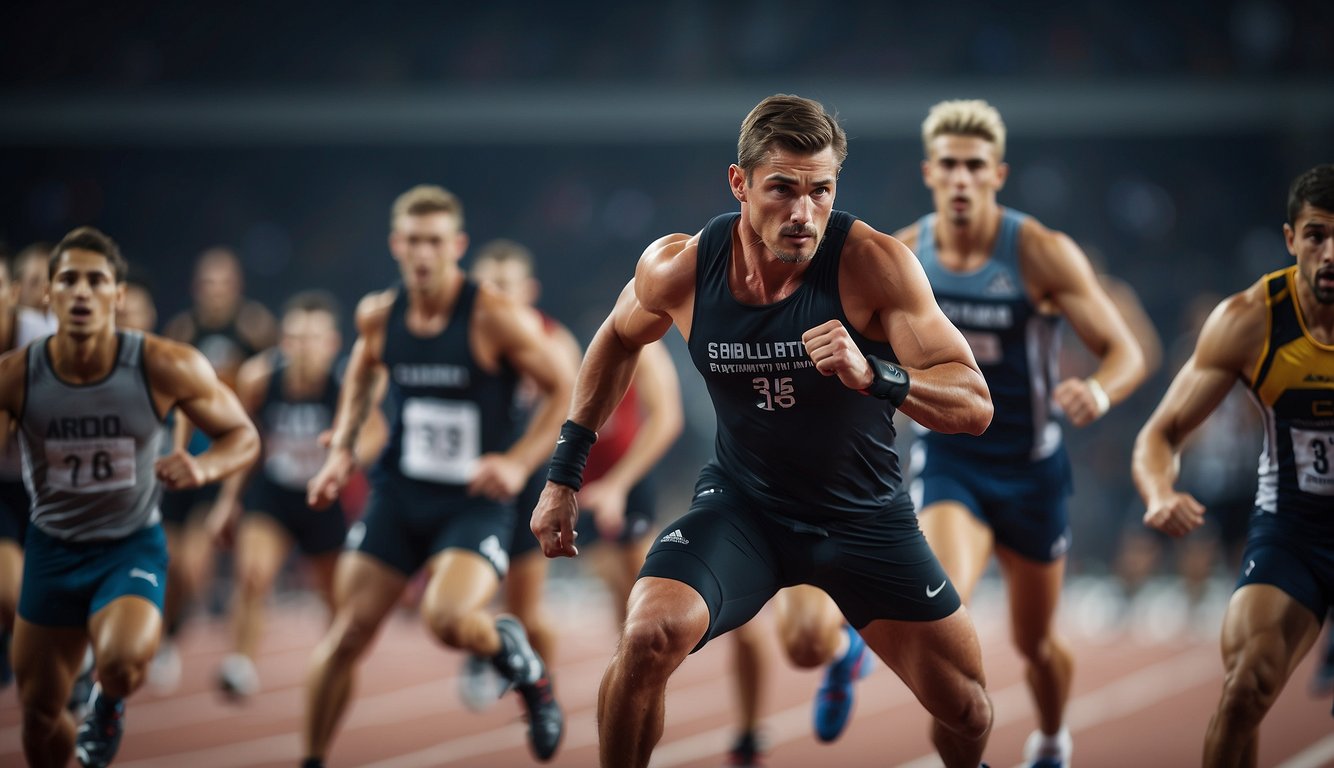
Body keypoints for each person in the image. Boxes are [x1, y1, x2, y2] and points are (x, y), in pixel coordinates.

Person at [530, 93, 995, 768]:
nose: (803, 214)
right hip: (747, 509)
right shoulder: (682, 266)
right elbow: (615, 339)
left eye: (821, 191)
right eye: (782, 189)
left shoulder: (874, 265)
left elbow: (975, 402)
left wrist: (878, 375)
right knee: (646, 637)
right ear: (740, 183)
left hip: (863, 519)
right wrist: (564, 475)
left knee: (968, 709)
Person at [887, 98, 1148, 767]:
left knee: (1036, 644)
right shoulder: (903, 254)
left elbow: (1127, 350)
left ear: (998, 173)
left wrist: (1095, 388)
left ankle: (1054, 737)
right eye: (949, 165)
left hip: (1033, 472)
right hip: (952, 462)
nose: (962, 179)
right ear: (929, 172)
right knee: (942, 616)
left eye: (975, 166)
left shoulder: (1037, 252)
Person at [301, 185, 574, 767]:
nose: (423, 254)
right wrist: (342, 447)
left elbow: (564, 388)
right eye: (413, 242)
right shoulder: (378, 314)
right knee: (348, 633)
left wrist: (517, 462)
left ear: (456, 246)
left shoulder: (494, 316)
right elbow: (361, 373)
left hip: (472, 504)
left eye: (435, 242)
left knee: (446, 620)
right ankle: (311, 758)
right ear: (397, 245)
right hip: (398, 497)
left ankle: (514, 656)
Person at [0, 226, 259, 768]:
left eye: (97, 281)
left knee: (122, 658)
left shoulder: (162, 363)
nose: (82, 293)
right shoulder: (18, 376)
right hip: (52, 548)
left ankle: (109, 702)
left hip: (128, 547)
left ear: (119, 297)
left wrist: (203, 466)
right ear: (47, 294)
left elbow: (243, 436)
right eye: (68, 280)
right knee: (40, 713)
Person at [1132, 163, 1334, 766]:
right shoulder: (1251, 319)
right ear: (1290, 239)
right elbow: (1160, 433)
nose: (1330, 254)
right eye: (1318, 235)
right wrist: (1158, 490)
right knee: (1244, 686)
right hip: (1292, 529)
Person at [209, 290, 378, 700]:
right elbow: (246, 441)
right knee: (252, 573)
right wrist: (228, 501)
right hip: (276, 494)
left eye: (314, 339)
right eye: (296, 339)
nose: (304, 349)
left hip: (325, 499)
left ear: (332, 344)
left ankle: (338, 668)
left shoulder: (345, 384)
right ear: (284, 342)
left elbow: (376, 432)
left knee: (335, 600)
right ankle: (241, 663)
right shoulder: (259, 379)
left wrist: (343, 459)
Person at [153, 245, 278, 691]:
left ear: (237, 286)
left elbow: (272, 386)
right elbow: (166, 393)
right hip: (182, 454)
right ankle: (166, 636)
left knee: (197, 563)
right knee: (169, 564)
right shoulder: (182, 330)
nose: (216, 291)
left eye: (224, 283)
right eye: (208, 283)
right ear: (196, 288)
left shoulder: (255, 328)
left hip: (224, 461)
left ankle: (213, 645)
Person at [0, 253, 60, 687]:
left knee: (50, 597)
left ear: (13, 293)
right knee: (11, 595)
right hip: (0, 487)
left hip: (47, 482)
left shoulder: (45, 341)